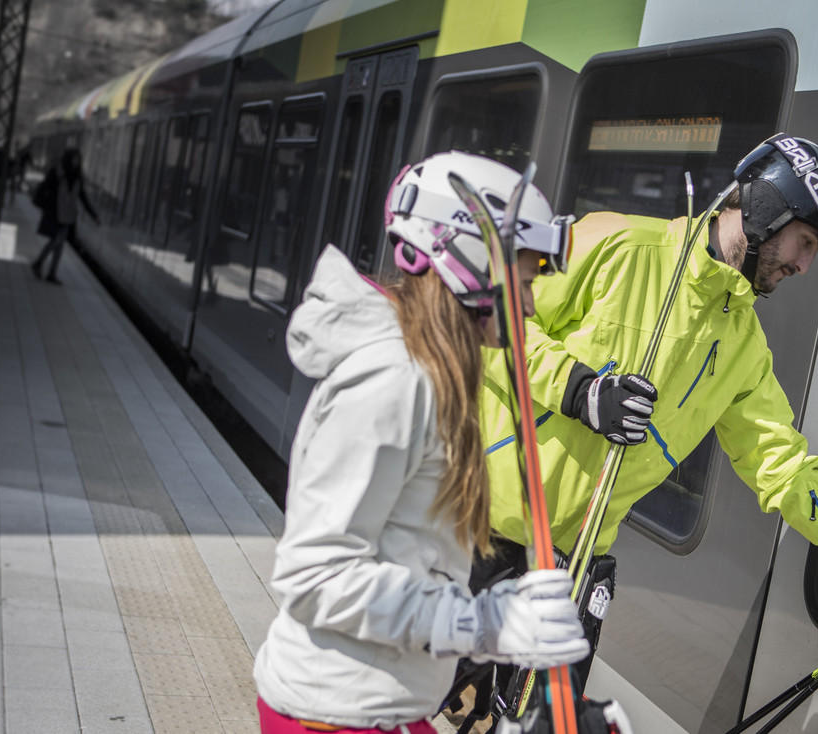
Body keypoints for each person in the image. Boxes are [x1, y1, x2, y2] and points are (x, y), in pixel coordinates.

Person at [468, 134, 818, 702]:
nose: (805, 266)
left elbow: (783, 467)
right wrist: (578, 390)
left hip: (571, 565)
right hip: (478, 528)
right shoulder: (616, 244)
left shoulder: (744, 348)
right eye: (805, 242)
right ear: (768, 208)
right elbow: (484, 316)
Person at [252, 152, 591, 734]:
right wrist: (481, 626)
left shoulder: (434, 375)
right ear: (468, 259)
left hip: (380, 703)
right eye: (526, 280)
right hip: (335, 714)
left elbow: (410, 557)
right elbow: (315, 577)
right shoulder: (394, 382)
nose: (531, 305)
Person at [30, 149, 99, 285]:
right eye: (74, 159)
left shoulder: (78, 177)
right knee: (56, 241)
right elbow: (43, 188)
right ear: (68, 159)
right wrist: (44, 205)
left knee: (60, 244)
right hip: (55, 213)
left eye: (78, 159)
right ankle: (38, 263)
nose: (76, 162)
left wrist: (94, 215)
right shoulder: (56, 172)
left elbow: (82, 197)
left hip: (68, 216)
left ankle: (51, 272)